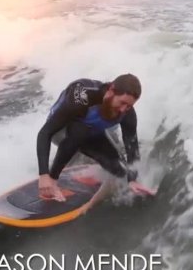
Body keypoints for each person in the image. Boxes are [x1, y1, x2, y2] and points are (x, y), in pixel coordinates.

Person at [36, 73, 155, 214]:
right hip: (61, 131)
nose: (124, 109)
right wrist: (44, 175)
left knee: (121, 170)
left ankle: (92, 167)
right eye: (122, 103)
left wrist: (132, 180)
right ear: (111, 90)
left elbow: (132, 147)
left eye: (129, 106)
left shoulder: (127, 114)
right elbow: (45, 133)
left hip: (91, 133)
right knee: (79, 131)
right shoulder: (82, 98)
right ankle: (53, 180)